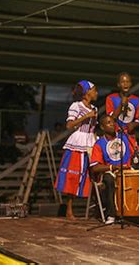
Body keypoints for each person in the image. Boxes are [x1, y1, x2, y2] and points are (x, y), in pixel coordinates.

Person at [55, 80, 98, 220]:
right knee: (74, 175)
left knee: (92, 175)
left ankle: (95, 208)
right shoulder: (76, 106)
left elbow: (93, 128)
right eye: (94, 90)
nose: (96, 93)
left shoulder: (95, 108)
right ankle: (69, 209)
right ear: (87, 93)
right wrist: (86, 116)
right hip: (78, 141)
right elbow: (69, 125)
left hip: (90, 141)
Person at [89, 115, 139, 225]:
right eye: (109, 123)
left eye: (113, 122)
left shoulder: (124, 137)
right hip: (111, 172)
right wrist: (113, 167)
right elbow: (95, 167)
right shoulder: (99, 144)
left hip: (128, 170)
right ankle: (111, 214)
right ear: (103, 127)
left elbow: (138, 152)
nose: (112, 124)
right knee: (109, 180)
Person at [106, 72, 139, 137]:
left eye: (127, 82)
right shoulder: (111, 98)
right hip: (115, 134)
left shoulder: (136, 100)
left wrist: (133, 124)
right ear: (118, 84)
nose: (125, 84)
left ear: (131, 84)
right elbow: (111, 118)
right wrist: (121, 104)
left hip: (129, 135)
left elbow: (138, 119)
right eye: (123, 82)